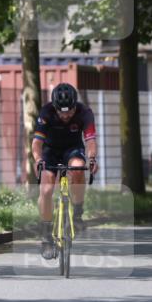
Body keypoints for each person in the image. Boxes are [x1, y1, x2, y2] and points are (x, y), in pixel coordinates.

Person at [32, 83, 98, 259]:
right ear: (55, 107)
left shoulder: (85, 113)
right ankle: (46, 236)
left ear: (76, 105)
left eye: (70, 111)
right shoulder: (46, 113)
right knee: (46, 189)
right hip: (50, 151)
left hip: (72, 149)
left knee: (77, 168)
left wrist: (91, 159)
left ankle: (77, 212)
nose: (66, 115)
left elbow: (90, 141)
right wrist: (38, 160)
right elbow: (37, 143)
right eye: (62, 112)